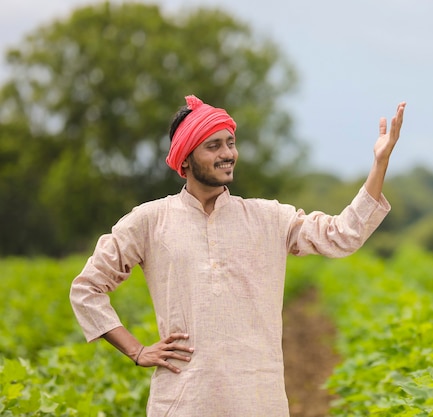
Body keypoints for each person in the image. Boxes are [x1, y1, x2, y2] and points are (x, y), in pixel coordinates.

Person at [69, 95, 406, 417]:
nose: (227, 153)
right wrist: (137, 350)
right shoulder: (149, 221)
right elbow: (87, 289)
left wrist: (379, 164)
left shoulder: (268, 217)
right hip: (184, 400)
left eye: (230, 143)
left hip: (258, 398)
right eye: (213, 145)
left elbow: (343, 236)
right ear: (184, 158)